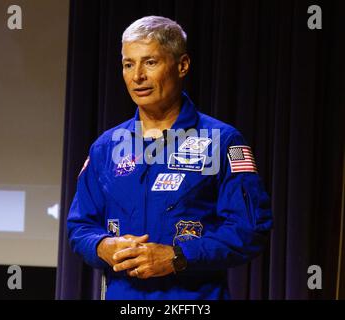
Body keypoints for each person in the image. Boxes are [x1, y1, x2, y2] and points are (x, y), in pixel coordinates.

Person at [67, 15, 273, 300]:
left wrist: (178, 257)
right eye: (129, 64)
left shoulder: (221, 140)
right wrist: (103, 245)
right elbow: (80, 226)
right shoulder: (107, 146)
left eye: (150, 62)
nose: (137, 76)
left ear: (182, 65)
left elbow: (249, 229)